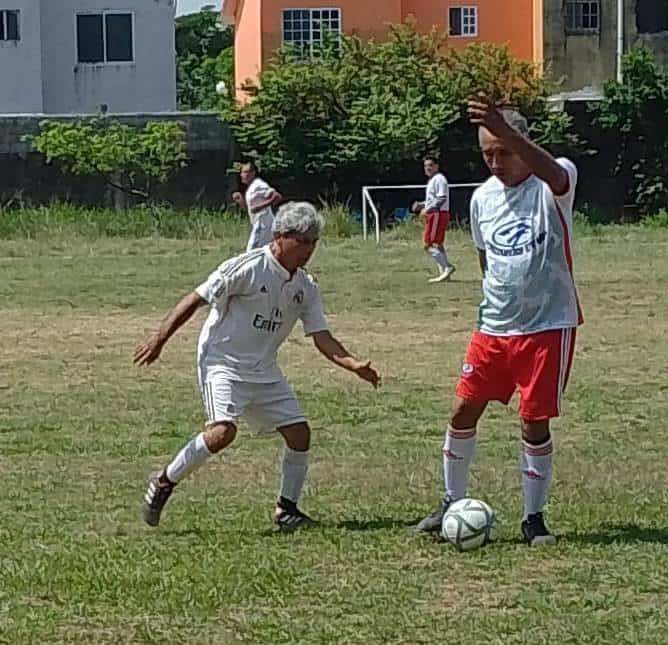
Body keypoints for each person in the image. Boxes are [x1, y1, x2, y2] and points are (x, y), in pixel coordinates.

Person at [134, 202, 380, 530]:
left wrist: (353, 365)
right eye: (304, 240)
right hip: (222, 361)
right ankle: (165, 481)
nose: (309, 249)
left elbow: (321, 336)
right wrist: (158, 339)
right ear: (280, 236)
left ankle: (286, 509)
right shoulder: (247, 267)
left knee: (299, 434)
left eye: (314, 242)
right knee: (222, 433)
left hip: (263, 369)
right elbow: (196, 298)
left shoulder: (305, 287)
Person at [414, 96, 582, 546]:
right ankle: (451, 501)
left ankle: (534, 518)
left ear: (522, 143)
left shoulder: (552, 183)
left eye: (502, 151)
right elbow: (487, 262)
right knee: (464, 409)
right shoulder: (482, 199)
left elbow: (556, 174)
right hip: (493, 328)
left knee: (533, 421)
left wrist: (509, 132)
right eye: (486, 152)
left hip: (547, 326)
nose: (494, 162)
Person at [411, 154, 456, 283]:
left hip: (437, 214)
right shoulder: (432, 181)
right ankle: (444, 273)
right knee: (438, 244)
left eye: (430, 165)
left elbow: (441, 198)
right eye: (425, 166)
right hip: (436, 213)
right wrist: (422, 204)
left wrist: (428, 210)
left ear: (437, 166)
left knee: (428, 244)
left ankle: (447, 267)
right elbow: (433, 199)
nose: (428, 168)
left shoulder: (439, 179)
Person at [232, 162, 283, 251]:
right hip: (259, 224)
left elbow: (277, 196)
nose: (243, 175)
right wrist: (241, 201)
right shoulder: (251, 189)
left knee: (251, 252)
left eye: (246, 172)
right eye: (243, 172)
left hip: (263, 224)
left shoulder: (259, 185)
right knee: (266, 253)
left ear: (253, 173)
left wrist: (260, 207)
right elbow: (251, 210)